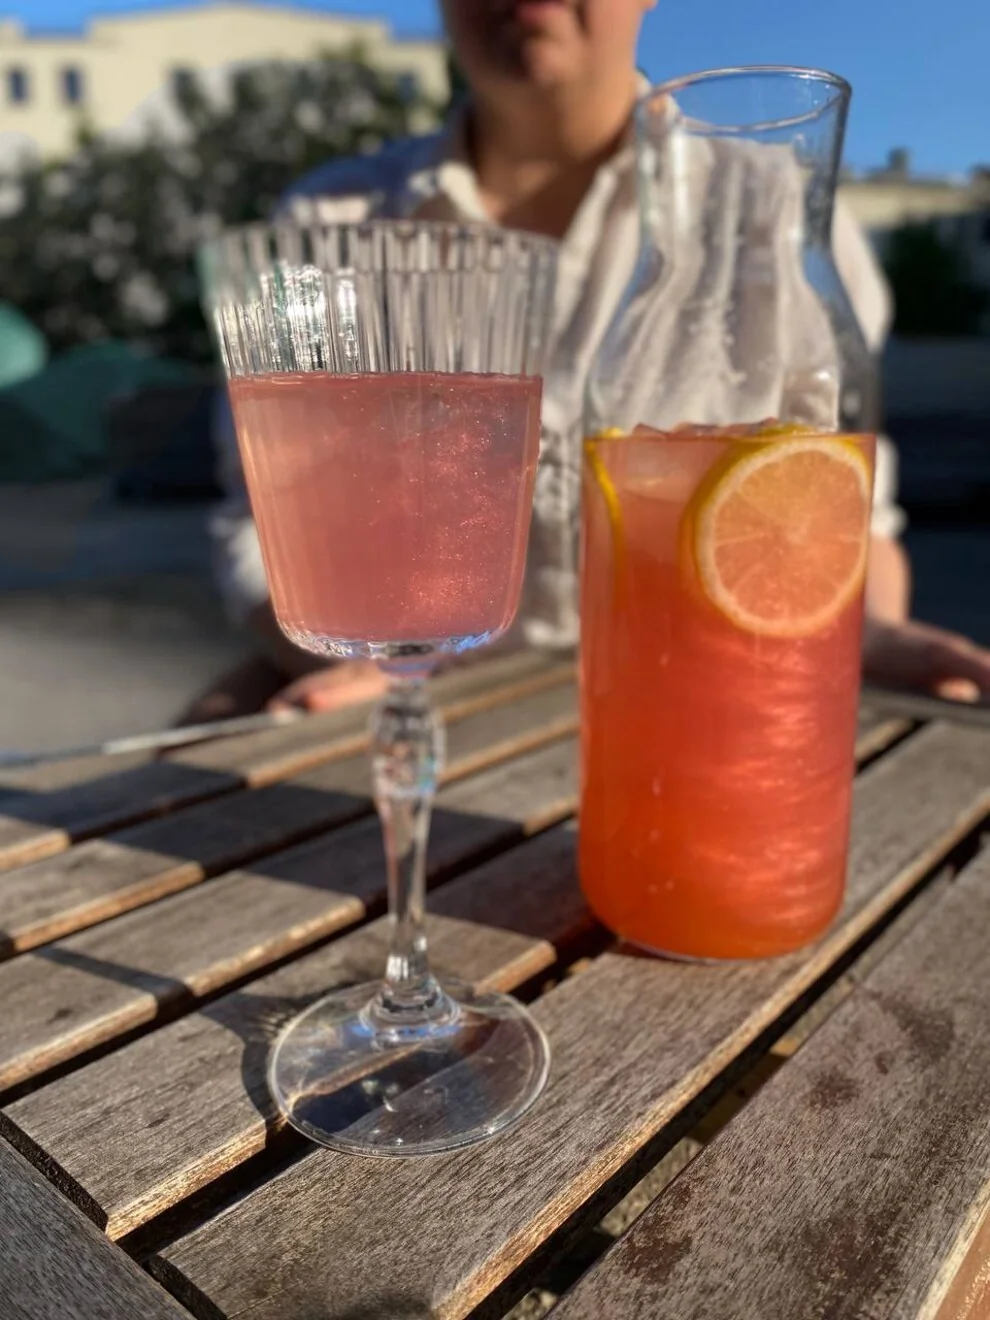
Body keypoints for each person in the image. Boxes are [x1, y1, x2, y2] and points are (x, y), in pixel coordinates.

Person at [189, 0, 990, 722]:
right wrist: (353, 660)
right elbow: (263, 518)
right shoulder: (330, 224)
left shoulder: (775, 212)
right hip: (420, 692)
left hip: (685, 700)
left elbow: (841, 510)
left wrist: (863, 631)